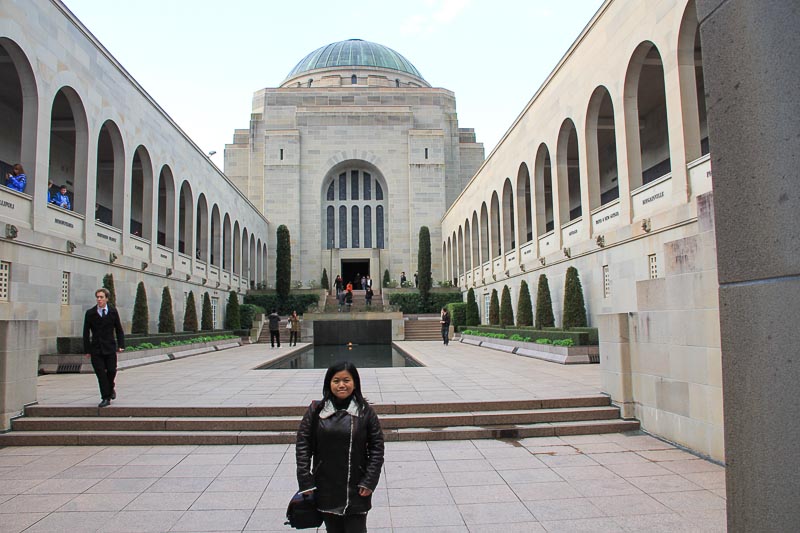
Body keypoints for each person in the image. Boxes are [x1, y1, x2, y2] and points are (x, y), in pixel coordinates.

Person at [296, 362, 384, 533]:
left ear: (355, 383)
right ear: (329, 383)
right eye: (336, 380)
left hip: (357, 487)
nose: (341, 385)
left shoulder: (365, 411)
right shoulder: (316, 410)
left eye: (346, 380)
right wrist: (305, 481)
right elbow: (303, 446)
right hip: (326, 486)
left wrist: (369, 480)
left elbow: (377, 448)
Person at [83, 288, 125, 407]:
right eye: (97, 297)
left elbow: (119, 329)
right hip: (96, 348)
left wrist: (121, 345)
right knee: (101, 373)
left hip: (110, 347)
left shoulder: (112, 312)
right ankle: (105, 397)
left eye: (101, 297)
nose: (99, 299)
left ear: (106, 298)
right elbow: (86, 332)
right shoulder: (90, 313)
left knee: (112, 370)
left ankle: (111, 388)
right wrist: (87, 350)